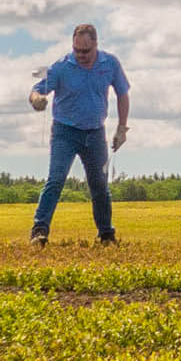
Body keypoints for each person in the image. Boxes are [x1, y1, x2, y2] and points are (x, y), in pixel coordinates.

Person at [27, 24, 130, 246]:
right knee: (56, 179)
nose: (81, 55)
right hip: (65, 131)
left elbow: (123, 93)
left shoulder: (110, 63)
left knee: (100, 184)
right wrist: (37, 99)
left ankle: (106, 234)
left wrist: (122, 128)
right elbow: (36, 90)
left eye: (86, 51)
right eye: (77, 51)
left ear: (96, 44)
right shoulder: (62, 66)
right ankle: (39, 231)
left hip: (94, 132)